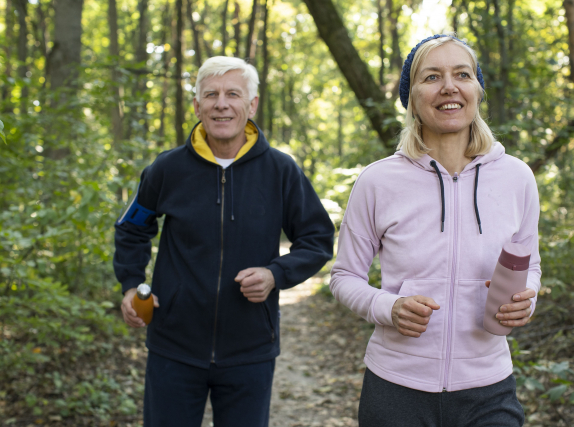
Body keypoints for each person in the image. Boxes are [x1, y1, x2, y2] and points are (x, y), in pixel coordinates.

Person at [330, 35, 541, 426]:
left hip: (489, 387)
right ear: (412, 98)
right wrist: (387, 307)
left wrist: (526, 298)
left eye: (462, 74)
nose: (449, 86)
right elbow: (344, 276)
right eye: (432, 76)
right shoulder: (377, 181)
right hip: (396, 387)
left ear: (477, 90)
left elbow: (530, 265)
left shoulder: (517, 178)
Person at [113, 56, 335, 427]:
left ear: (252, 105)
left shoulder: (281, 171)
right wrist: (131, 284)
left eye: (233, 94)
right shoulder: (167, 169)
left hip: (250, 350)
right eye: (211, 95)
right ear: (197, 106)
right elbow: (132, 228)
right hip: (173, 347)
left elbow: (317, 239)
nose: (221, 104)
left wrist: (275, 274)